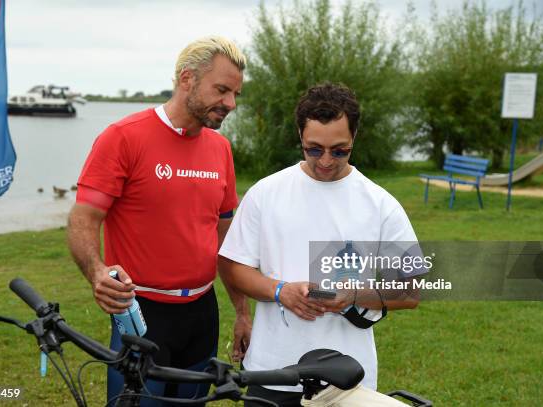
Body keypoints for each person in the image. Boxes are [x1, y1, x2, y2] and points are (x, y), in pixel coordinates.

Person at [67, 36, 251, 406]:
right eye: (221, 90)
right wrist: (96, 273)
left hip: (202, 312)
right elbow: (84, 219)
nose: (230, 103)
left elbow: (225, 238)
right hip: (142, 314)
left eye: (235, 94)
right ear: (187, 79)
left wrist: (243, 312)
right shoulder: (123, 137)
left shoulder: (220, 149)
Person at [218, 83, 424, 406]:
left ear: (354, 137)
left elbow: (412, 290)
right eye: (314, 149)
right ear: (300, 136)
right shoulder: (266, 193)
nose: (326, 161)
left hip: (348, 381)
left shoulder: (380, 204)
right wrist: (279, 290)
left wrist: (353, 296)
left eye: (339, 150)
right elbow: (233, 267)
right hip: (272, 372)